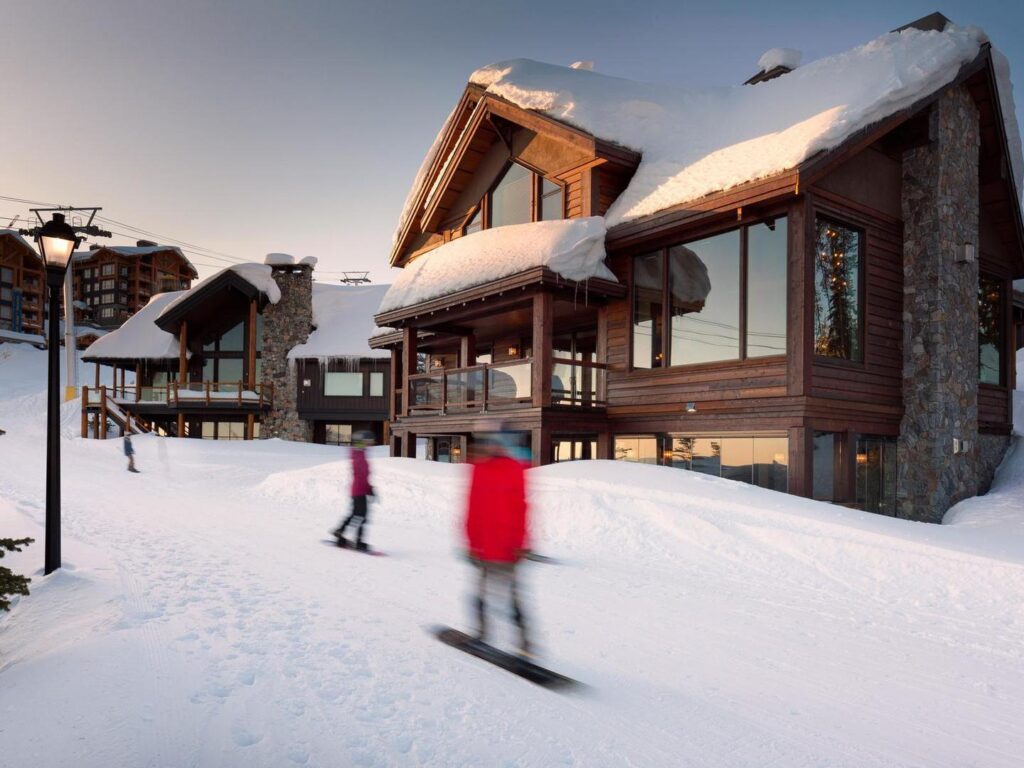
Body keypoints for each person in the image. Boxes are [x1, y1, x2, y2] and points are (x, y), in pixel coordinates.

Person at [464, 430, 532, 657]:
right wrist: (472, 544)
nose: (489, 447)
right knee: (481, 593)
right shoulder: (478, 469)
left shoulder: (514, 468)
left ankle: (525, 645)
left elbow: (522, 508)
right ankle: (481, 634)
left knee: (513, 597)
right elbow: (472, 508)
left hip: (508, 547)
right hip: (484, 547)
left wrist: (522, 542)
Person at [333, 430, 375, 550]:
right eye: (368, 442)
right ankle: (359, 542)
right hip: (359, 490)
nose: (370, 445)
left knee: (355, 514)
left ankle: (340, 532)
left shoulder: (359, 454)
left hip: (358, 490)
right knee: (362, 516)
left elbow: (363, 475)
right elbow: (361, 475)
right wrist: (369, 489)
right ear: (362, 442)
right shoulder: (359, 456)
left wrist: (369, 488)